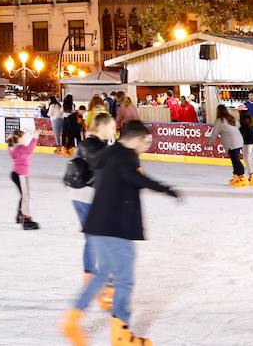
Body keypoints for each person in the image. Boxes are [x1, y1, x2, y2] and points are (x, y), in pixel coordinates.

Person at [61, 121, 178, 346]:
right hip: (116, 228)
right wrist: (166, 189)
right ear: (136, 138)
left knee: (103, 275)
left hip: (97, 225)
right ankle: (122, 335)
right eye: (146, 142)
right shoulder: (126, 157)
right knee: (124, 280)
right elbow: (135, 178)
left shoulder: (108, 153)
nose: (147, 146)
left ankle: (72, 319)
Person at [65, 113, 115, 304]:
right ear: (102, 127)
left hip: (76, 196)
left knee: (91, 238)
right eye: (110, 127)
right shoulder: (98, 146)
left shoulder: (84, 144)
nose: (113, 130)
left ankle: (90, 279)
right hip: (89, 198)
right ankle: (106, 284)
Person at [205, 104, 247, 187]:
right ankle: (236, 177)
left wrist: (209, 143)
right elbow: (238, 125)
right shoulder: (231, 118)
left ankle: (242, 177)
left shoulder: (220, 121)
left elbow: (214, 133)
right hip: (239, 140)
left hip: (232, 143)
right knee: (235, 160)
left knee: (236, 161)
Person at [8, 128, 40, 229]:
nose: (25, 138)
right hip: (20, 174)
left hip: (17, 174)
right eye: (23, 137)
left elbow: (12, 153)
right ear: (19, 139)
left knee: (24, 195)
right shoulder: (21, 148)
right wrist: (35, 138)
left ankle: (20, 215)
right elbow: (29, 149)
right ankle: (26, 219)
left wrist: (9, 142)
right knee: (25, 196)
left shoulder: (16, 148)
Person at [239, 111, 253, 186]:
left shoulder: (243, 121)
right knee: (250, 159)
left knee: (247, 159)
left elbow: (243, 134)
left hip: (248, 143)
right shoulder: (251, 120)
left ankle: (252, 177)